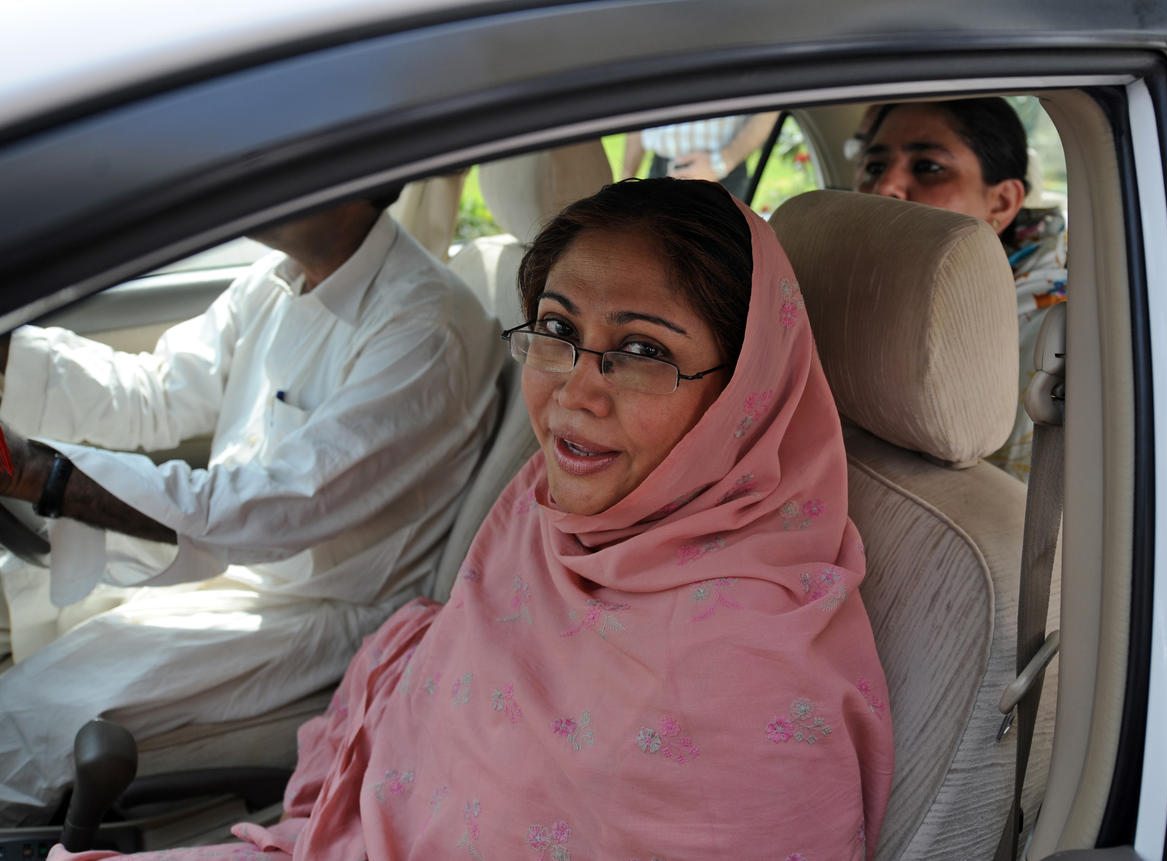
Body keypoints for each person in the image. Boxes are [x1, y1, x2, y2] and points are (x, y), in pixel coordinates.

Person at [49, 177, 894, 860]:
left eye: (643, 350)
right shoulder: (552, 507)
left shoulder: (754, 692)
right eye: (557, 329)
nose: (575, 393)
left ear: (743, 390)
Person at [0, 194, 505, 825]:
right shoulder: (276, 279)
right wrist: (7, 356)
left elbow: (274, 509)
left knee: (21, 724)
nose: (256, 180)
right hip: (237, 562)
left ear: (365, 187)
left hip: (318, 609)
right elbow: (158, 392)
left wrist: (39, 474)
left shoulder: (424, 329)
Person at [854, 98, 1068, 481]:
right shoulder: (840, 295)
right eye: (874, 167)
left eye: (929, 167)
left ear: (1001, 202)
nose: (884, 186)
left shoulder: (1054, 343)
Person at [622, 113, 780, 199]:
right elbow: (639, 107)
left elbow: (769, 101)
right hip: (661, 168)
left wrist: (722, 162)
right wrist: (626, 180)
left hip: (723, 172)